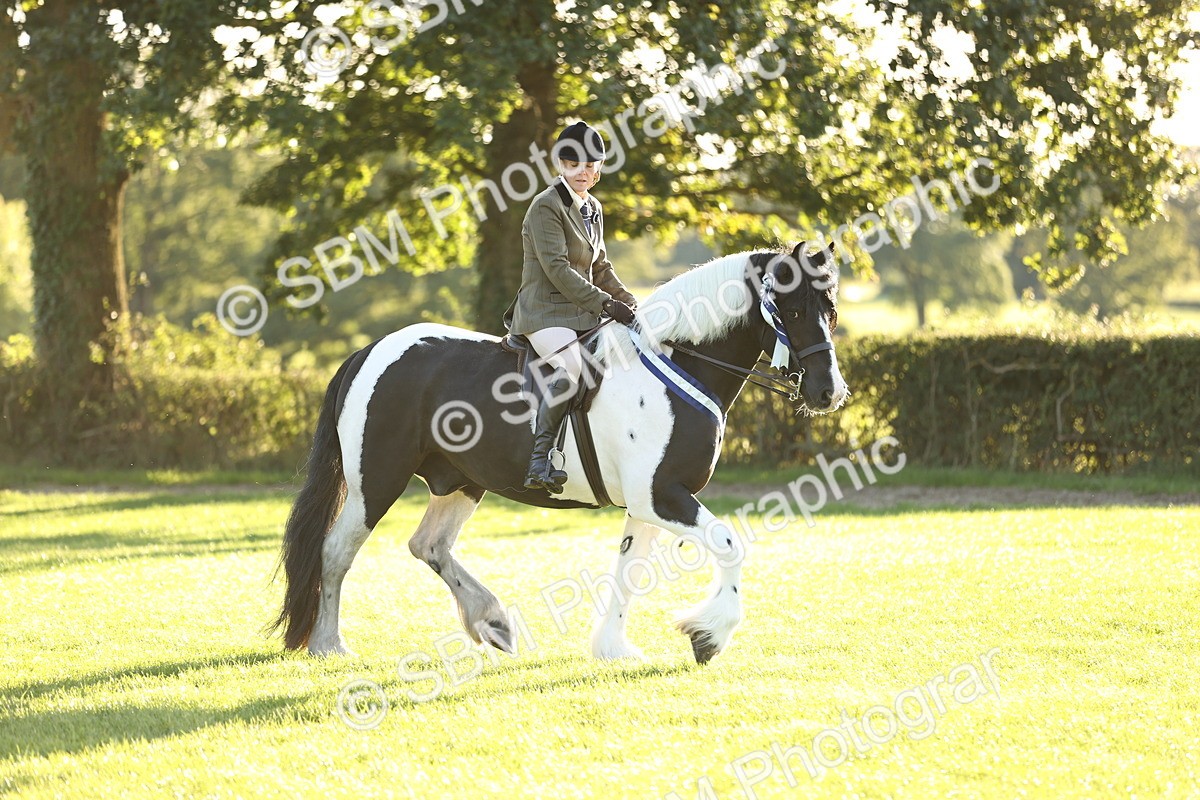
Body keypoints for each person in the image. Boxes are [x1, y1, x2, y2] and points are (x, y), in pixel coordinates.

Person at [505, 121, 638, 494]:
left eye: (589, 164)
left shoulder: (593, 207)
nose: (581, 170)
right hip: (544, 313)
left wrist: (631, 304)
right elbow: (558, 270)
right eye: (572, 162)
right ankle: (539, 460)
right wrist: (606, 304)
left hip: (582, 314)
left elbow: (600, 267)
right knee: (573, 366)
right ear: (560, 166)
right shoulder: (545, 207)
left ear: (598, 169)